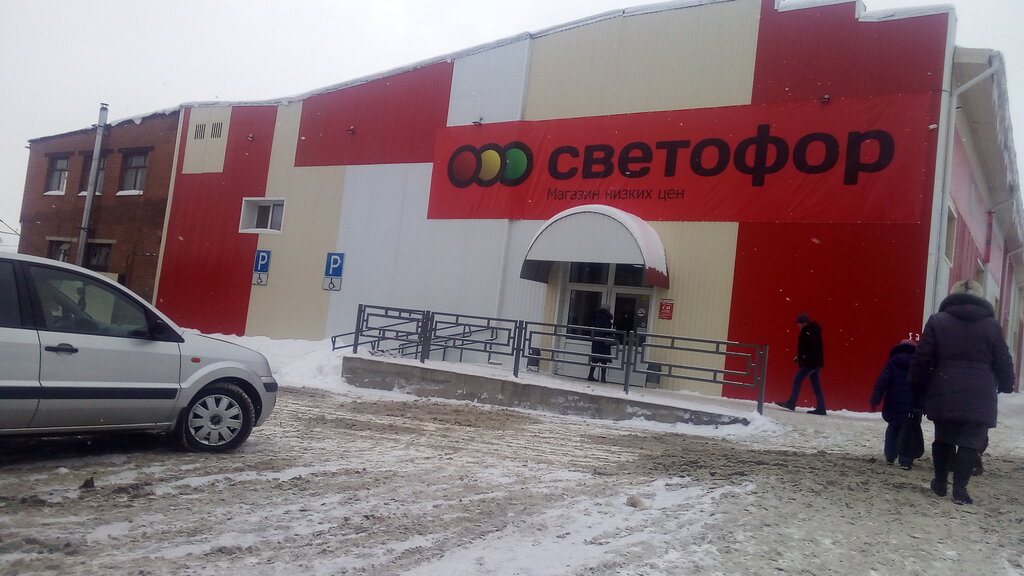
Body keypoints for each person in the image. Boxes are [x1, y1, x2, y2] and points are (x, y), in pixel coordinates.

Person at [908, 279, 1014, 505]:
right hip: (981, 391)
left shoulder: (938, 321)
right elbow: (1003, 358)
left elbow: (923, 356)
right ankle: (960, 489)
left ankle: (940, 482)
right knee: (971, 440)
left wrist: (916, 381)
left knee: (944, 436)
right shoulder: (991, 325)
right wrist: (1006, 383)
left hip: (944, 387)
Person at [869, 339, 919, 469]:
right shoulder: (919, 363)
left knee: (893, 429)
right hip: (912, 404)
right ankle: (906, 460)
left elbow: (882, 382)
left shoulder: (893, 362)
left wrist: (875, 399)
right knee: (909, 431)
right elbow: (924, 384)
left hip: (893, 402)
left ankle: (890, 456)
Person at [776, 313, 827, 415]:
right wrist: (800, 356)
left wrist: (802, 357)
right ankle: (821, 408)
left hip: (810, 363)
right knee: (816, 385)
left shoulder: (807, 332)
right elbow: (813, 348)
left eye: (799, 323)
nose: (798, 325)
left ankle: (792, 402)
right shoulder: (814, 330)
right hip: (815, 362)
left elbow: (808, 348)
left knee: (797, 379)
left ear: (803, 323)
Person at [587, 305, 615, 382]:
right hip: (603, 340)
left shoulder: (596, 316)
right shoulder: (606, 317)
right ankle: (603, 378)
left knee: (595, 359)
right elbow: (606, 329)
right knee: (604, 360)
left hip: (596, 339)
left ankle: (590, 375)